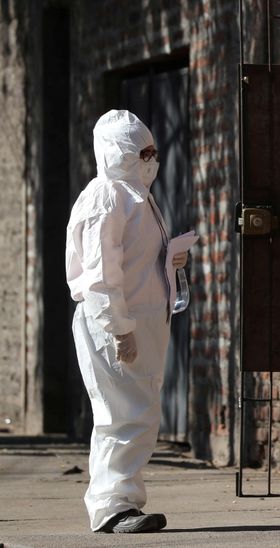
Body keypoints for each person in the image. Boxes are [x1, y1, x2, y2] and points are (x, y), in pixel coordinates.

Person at [66, 110, 188, 533]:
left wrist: (169, 258)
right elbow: (100, 274)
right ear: (118, 152)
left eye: (153, 150)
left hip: (142, 321)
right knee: (121, 415)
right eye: (141, 151)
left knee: (138, 413)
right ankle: (113, 507)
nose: (150, 158)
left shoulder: (135, 195)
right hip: (119, 323)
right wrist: (119, 329)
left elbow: (131, 260)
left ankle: (121, 502)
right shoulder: (107, 196)